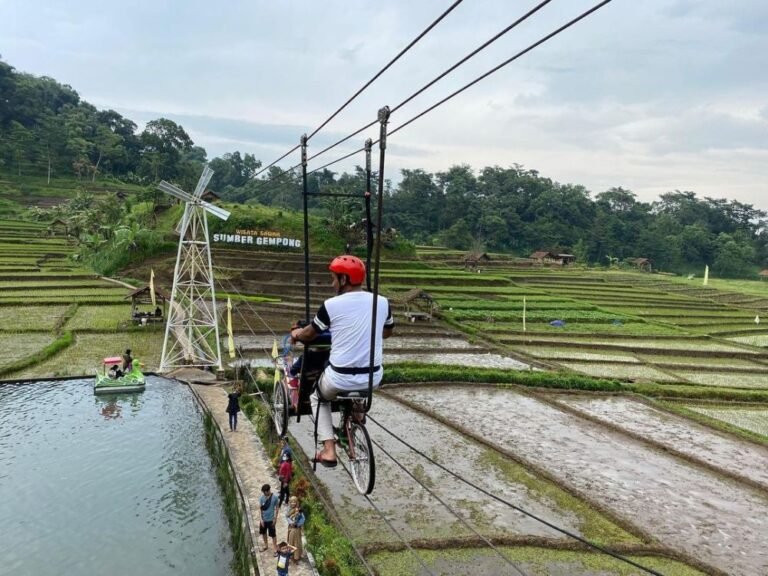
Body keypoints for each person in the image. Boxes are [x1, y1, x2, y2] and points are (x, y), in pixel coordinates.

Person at [291, 255, 394, 468]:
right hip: (373, 378)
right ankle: (356, 412)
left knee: (318, 397)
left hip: (339, 378)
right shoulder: (382, 302)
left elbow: (310, 334)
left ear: (344, 279)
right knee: (358, 382)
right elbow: (386, 332)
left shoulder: (331, 305)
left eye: (334, 279)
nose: (332, 284)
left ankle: (329, 450)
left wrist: (297, 333)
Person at [258, 483, 279, 553]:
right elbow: (260, 509)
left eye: (265, 492)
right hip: (263, 520)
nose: (264, 493)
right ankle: (266, 545)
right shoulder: (261, 498)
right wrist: (261, 519)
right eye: (263, 492)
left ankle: (275, 548)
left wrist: (275, 518)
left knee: (273, 535)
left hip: (271, 520)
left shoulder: (275, 498)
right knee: (263, 533)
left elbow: (277, 509)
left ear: (268, 490)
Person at [285, 496, 304, 563]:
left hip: (296, 528)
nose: (293, 503)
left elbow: (303, 519)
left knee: (296, 542)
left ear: (296, 502)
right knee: (290, 541)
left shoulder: (298, 509)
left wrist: (297, 524)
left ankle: (296, 557)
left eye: (294, 502)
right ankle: (291, 555)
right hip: (290, 527)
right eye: (292, 502)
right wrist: (291, 522)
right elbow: (287, 517)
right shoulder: (289, 509)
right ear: (290, 502)